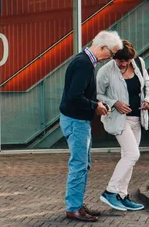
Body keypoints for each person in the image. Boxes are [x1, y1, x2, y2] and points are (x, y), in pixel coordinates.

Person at [59, 30, 122, 222]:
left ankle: (77, 205)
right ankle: (73, 208)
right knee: (79, 165)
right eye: (110, 54)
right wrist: (96, 106)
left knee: (83, 164)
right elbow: (75, 96)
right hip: (77, 121)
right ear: (102, 47)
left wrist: (96, 105)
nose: (109, 59)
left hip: (76, 120)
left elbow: (76, 94)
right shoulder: (84, 64)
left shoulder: (83, 61)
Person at [96, 39, 149, 212]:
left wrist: (148, 100)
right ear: (114, 58)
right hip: (119, 120)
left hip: (138, 118)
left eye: (126, 61)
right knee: (132, 154)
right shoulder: (105, 71)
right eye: (120, 61)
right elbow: (97, 94)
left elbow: (148, 86)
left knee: (129, 158)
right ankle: (110, 191)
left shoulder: (139, 63)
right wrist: (114, 103)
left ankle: (122, 195)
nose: (123, 64)